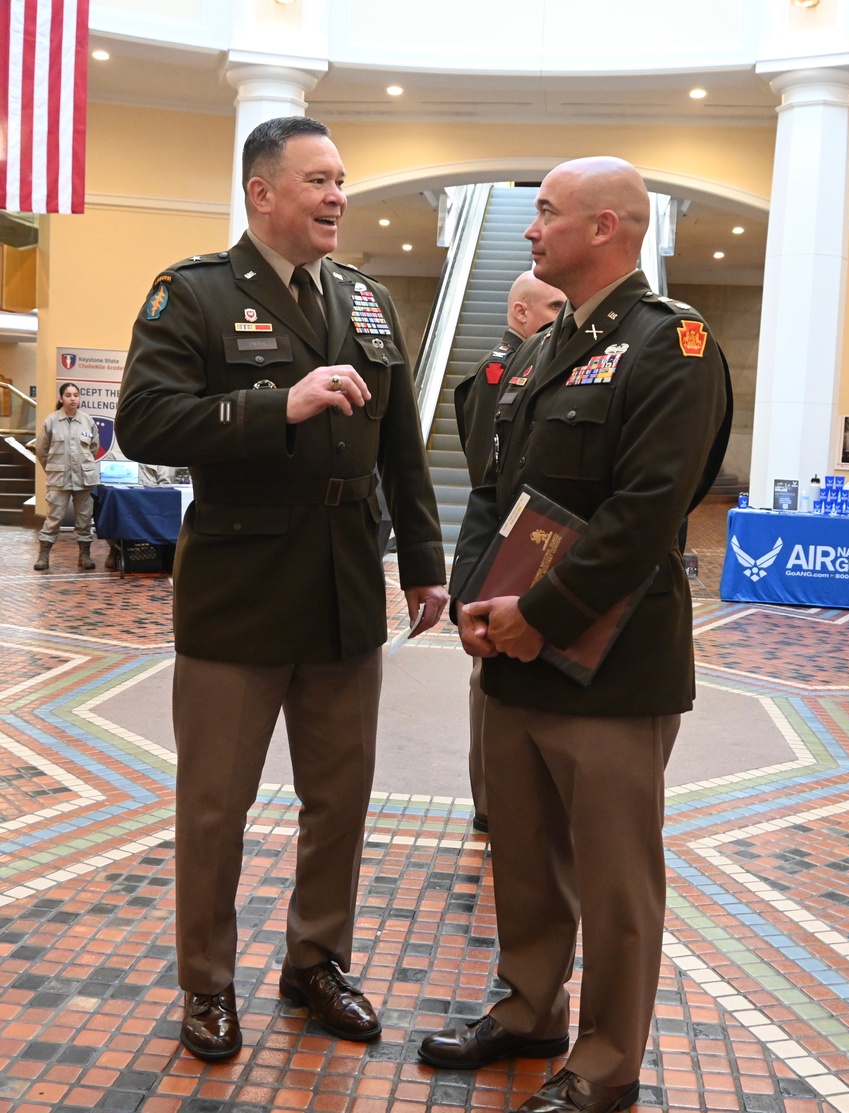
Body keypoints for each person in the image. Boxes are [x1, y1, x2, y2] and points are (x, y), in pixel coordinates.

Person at [115, 115, 447, 1062]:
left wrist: (421, 560)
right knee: (216, 801)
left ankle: (315, 960)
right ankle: (207, 983)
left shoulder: (369, 299)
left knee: (341, 795)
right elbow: (144, 418)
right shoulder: (195, 294)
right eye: (318, 180)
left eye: (342, 178)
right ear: (263, 193)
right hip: (241, 587)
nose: (338, 195)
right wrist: (278, 405)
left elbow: (400, 444)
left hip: (346, 586)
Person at [420, 156, 732, 1113]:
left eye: (546, 213)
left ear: (606, 227)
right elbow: (501, 497)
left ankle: (605, 1060)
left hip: (611, 667)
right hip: (514, 658)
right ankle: (529, 1007)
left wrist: (537, 614)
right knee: (525, 852)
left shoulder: (672, 346)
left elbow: (645, 515)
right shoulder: (548, 345)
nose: (529, 229)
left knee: (614, 873)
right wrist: (483, 606)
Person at [454, 270, 565, 832]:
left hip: (530, 539)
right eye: (552, 307)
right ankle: (491, 803)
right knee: (490, 679)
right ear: (520, 313)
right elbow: (489, 469)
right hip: (510, 540)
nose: (560, 317)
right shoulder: (498, 373)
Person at [33, 382, 100, 572]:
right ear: (61, 398)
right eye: (68, 395)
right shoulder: (51, 421)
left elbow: (93, 448)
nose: (73, 399)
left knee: (85, 519)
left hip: (84, 479)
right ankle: (43, 556)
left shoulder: (87, 421)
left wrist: (83, 465)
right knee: (54, 517)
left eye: (76, 395)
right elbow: (41, 450)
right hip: (59, 479)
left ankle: (85, 555)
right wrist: (54, 468)